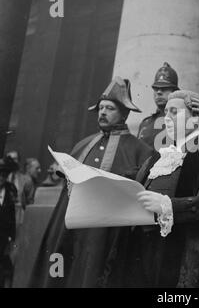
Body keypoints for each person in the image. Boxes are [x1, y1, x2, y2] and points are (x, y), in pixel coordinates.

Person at [29, 76, 153, 288]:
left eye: (110, 108)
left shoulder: (140, 151)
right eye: (101, 108)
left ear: (123, 113)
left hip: (106, 234)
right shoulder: (82, 145)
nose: (103, 112)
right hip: (71, 229)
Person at [109, 90, 199, 287]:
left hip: (181, 255)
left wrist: (168, 205)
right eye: (166, 112)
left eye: (174, 112)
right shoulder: (160, 156)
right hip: (143, 252)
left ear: (195, 119)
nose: (166, 118)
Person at [137, 62, 180, 149]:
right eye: (156, 88)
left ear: (174, 92)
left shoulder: (183, 121)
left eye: (164, 88)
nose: (159, 92)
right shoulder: (146, 123)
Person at [0, 157, 18, 287]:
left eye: (4, 174)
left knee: (4, 269)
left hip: (3, 237)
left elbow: (12, 216)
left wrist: (12, 237)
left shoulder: (10, 190)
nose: (1, 176)